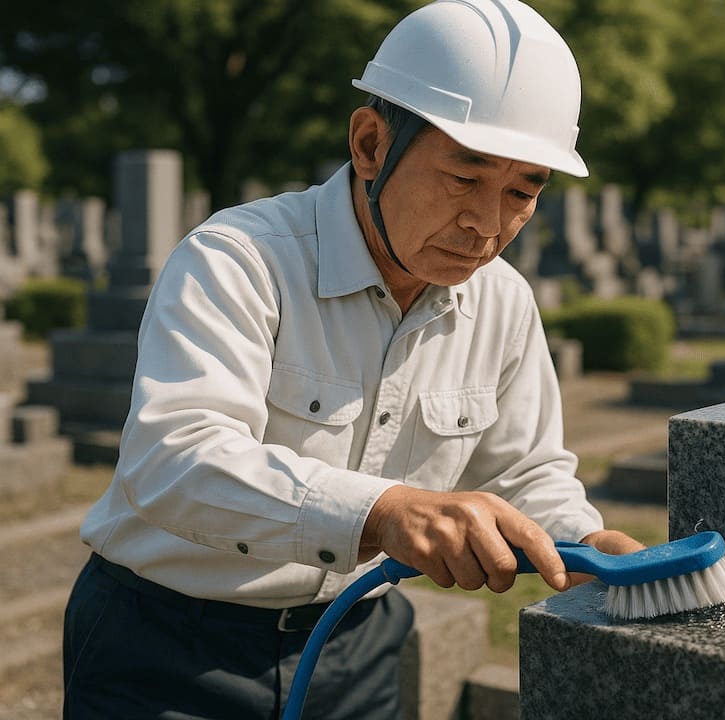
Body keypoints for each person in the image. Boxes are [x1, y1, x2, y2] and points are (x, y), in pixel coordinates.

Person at [61, 1, 643, 717]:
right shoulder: (241, 260)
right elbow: (174, 458)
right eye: (465, 177)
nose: (486, 225)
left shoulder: (503, 303)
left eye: (523, 191)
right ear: (370, 144)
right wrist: (383, 510)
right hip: (166, 646)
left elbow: (522, 470)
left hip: (359, 646)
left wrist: (586, 541)